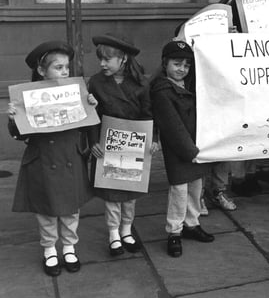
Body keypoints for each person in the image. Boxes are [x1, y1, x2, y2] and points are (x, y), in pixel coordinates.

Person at [7, 41, 94, 276]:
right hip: (43, 158)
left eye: (66, 67)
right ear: (42, 70)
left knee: (70, 207)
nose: (64, 72)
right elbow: (18, 133)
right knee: (45, 209)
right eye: (58, 67)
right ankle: (49, 250)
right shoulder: (27, 98)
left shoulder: (75, 93)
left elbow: (87, 122)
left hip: (69, 156)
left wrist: (91, 105)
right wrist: (15, 119)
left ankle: (68, 246)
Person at [87, 34, 157, 256]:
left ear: (123, 58)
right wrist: (93, 142)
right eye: (101, 59)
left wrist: (153, 139)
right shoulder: (96, 82)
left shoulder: (141, 83)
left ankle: (127, 230)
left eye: (107, 59)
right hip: (108, 144)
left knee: (130, 192)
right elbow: (92, 116)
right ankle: (113, 234)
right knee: (111, 194)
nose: (102, 64)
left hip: (134, 143)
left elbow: (149, 113)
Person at [150, 41, 214, 257]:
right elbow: (172, 125)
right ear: (164, 63)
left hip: (197, 146)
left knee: (196, 187)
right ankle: (174, 231)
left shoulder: (192, 84)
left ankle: (192, 223)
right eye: (176, 64)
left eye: (186, 65)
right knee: (179, 191)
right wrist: (191, 151)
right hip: (181, 150)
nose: (181, 69)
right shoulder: (162, 90)